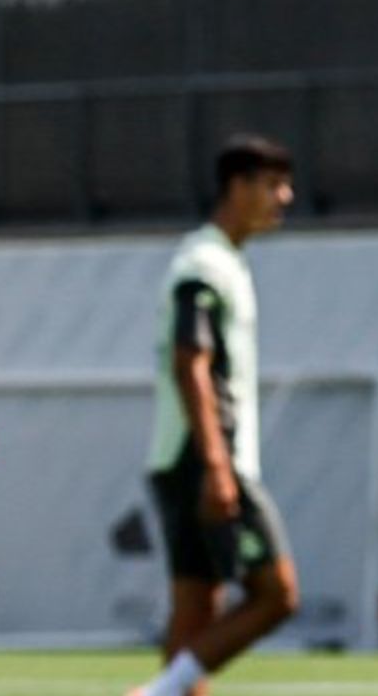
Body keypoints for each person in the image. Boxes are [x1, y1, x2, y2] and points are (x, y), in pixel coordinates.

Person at [128, 136, 300, 696]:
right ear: (238, 187)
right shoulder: (204, 264)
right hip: (202, 458)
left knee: (197, 608)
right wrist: (218, 466)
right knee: (276, 594)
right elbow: (190, 363)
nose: (286, 197)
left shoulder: (221, 260)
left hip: (186, 460)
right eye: (273, 184)